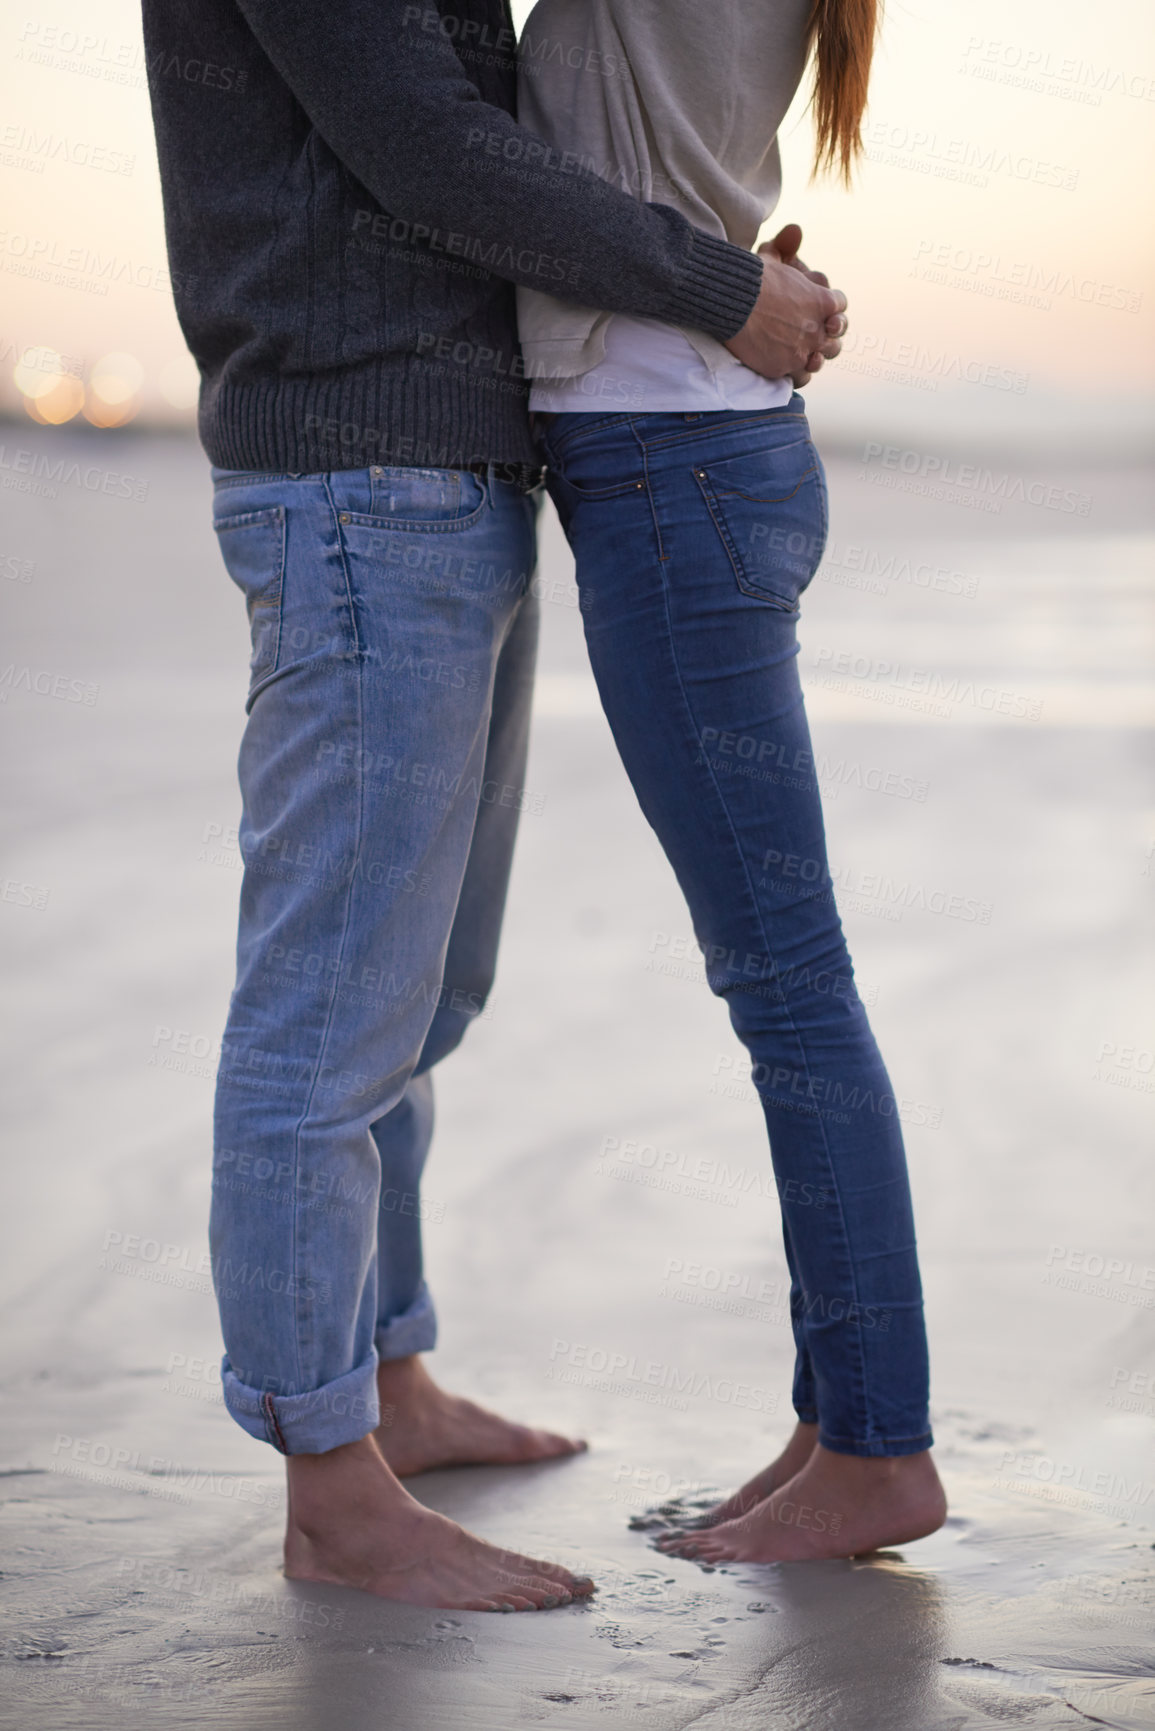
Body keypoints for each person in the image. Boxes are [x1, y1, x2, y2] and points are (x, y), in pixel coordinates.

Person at [141, 0, 847, 1610]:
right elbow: (435, 153)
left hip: (453, 468)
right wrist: (724, 289)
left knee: (424, 993)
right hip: (354, 474)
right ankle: (332, 1486)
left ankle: (388, 1382)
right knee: (328, 1016)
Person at [519, 0, 948, 1562]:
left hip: (670, 465)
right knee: (788, 977)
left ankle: (881, 1447)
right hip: (698, 450)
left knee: (788, 984)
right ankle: (840, 1417)